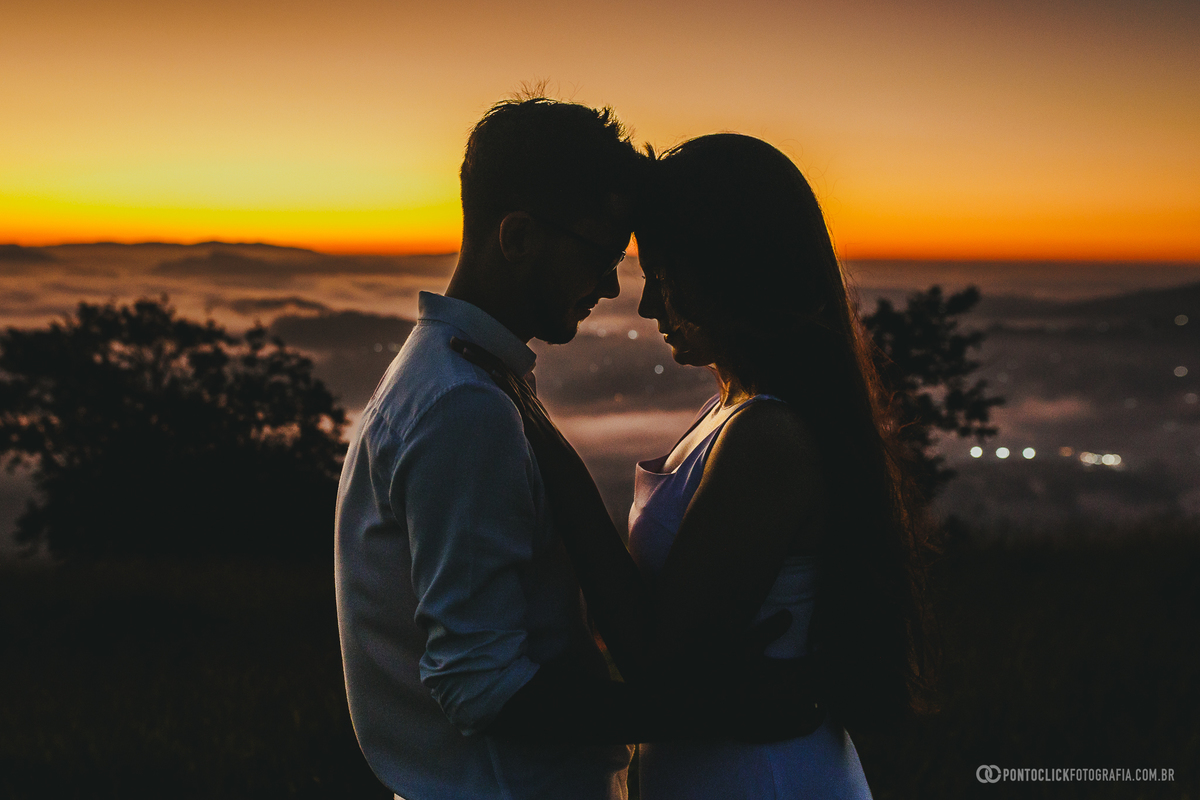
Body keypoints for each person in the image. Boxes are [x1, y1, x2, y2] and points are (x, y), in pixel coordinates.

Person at [335, 99, 820, 800]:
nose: (615, 287)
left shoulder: (457, 381)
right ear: (519, 236)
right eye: (600, 255)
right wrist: (711, 710)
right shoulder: (465, 406)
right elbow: (481, 689)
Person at [511, 133, 936, 798]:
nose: (650, 307)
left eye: (665, 278)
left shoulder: (768, 438)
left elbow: (653, 660)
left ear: (734, 271)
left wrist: (550, 453)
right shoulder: (732, 416)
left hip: (762, 777)